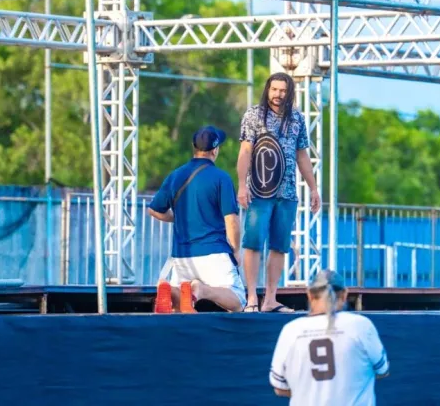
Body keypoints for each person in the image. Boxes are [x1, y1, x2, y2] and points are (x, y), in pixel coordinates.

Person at [238, 72, 320, 313]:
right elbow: (245, 151)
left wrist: (313, 188)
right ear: (268, 89)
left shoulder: (297, 118)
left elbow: (302, 154)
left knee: (280, 245)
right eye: (274, 89)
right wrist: (242, 185)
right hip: (259, 192)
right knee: (253, 241)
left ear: (289, 92)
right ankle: (252, 296)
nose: (278, 95)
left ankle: (270, 298)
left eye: (282, 90)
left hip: (287, 194)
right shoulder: (253, 115)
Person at [147, 125, 246, 314]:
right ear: (215, 150)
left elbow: (154, 210)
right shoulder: (221, 178)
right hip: (213, 253)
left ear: (194, 148)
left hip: (181, 256)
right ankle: (201, 290)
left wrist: (179, 218)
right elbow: (231, 220)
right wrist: (235, 250)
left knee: (180, 305)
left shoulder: (175, 176)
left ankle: (169, 289)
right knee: (238, 300)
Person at [268, 270, 389, 405]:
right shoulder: (361, 326)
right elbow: (382, 370)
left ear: (309, 295)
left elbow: (279, 387)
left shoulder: (291, 331)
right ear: (344, 294)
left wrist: (310, 390)